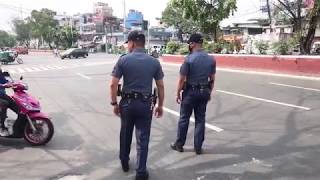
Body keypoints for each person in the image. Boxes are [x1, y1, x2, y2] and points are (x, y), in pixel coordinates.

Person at [110, 30, 165, 180]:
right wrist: (160, 106)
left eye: (128, 44)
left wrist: (114, 103)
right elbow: (160, 86)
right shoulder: (154, 61)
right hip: (145, 104)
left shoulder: (123, 60)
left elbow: (113, 84)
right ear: (143, 43)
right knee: (143, 138)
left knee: (125, 133)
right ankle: (141, 172)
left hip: (127, 104)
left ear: (132, 43)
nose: (128, 46)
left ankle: (124, 161)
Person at [170, 33, 216, 155]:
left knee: (184, 118)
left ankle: (179, 144)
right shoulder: (211, 59)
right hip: (204, 91)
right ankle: (198, 147)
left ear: (192, 44)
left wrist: (178, 93)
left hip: (190, 92)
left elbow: (181, 79)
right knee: (200, 119)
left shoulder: (189, 59)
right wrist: (209, 92)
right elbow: (212, 79)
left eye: (189, 43)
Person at [0, 69, 20, 136]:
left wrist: (11, 82)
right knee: (4, 103)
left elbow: (4, 80)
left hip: (1, 94)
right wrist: (3, 85)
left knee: (12, 101)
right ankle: (1, 125)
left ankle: (23, 119)